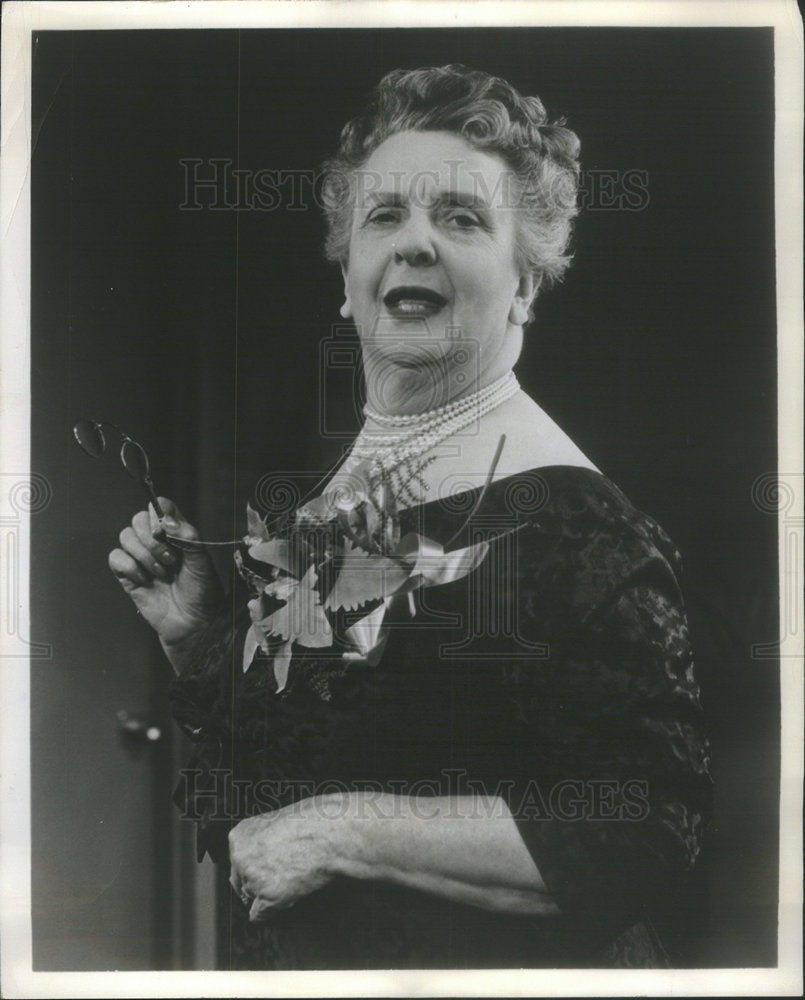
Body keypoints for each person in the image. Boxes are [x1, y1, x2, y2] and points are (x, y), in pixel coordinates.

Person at [108, 65, 713, 969]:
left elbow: (651, 832)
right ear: (347, 281)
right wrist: (196, 638)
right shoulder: (335, 500)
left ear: (524, 286)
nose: (415, 242)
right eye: (383, 215)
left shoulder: (575, 526)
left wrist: (344, 830)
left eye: (462, 218)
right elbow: (293, 762)